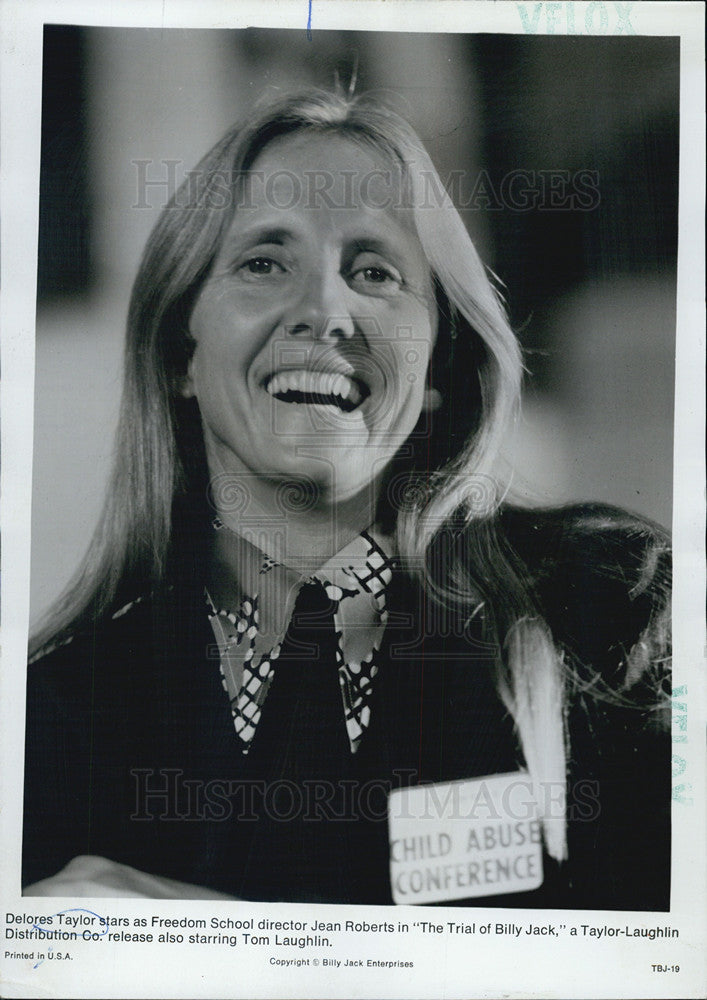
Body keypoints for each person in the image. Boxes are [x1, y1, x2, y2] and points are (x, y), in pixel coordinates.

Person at [22, 88, 671, 909]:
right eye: (263, 262)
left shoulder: (609, 604)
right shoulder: (53, 719)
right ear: (179, 354)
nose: (326, 312)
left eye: (374, 271)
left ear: (439, 367)